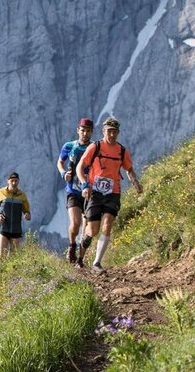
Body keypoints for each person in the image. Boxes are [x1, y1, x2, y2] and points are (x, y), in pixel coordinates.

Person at [76, 117, 142, 273]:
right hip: (95, 192)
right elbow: (80, 166)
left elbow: (129, 169)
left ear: (118, 133)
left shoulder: (122, 150)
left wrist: (135, 183)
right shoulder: (95, 147)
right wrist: (85, 184)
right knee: (92, 230)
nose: (112, 135)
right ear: (104, 131)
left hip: (113, 192)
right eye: (109, 132)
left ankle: (97, 263)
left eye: (114, 132)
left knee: (107, 225)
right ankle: (80, 258)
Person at [57, 118, 94, 265]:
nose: (84, 133)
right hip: (73, 190)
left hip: (90, 191)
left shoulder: (94, 148)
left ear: (91, 132)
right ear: (77, 130)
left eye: (88, 131)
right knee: (76, 223)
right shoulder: (69, 146)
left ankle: (80, 259)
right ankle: (72, 246)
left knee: (87, 227)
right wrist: (63, 173)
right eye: (82, 130)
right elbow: (60, 161)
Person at [0, 171, 32, 256]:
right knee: (2, 256)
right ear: (8, 181)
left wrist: (27, 214)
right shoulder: (1, 192)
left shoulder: (22, 195)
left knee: (14, 258)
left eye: (16, 180)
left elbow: (26, 210)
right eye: (12, 180)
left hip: (16, 230)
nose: (14, 183)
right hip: (3, 228)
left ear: (18, 181)